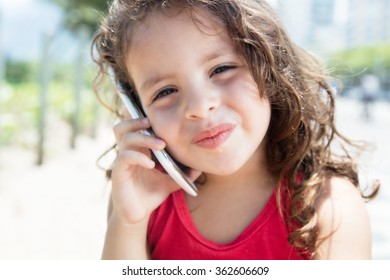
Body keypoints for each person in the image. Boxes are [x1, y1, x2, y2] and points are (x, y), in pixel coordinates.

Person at [91, 0, 379, 260]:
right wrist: (128, 222)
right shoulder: (141, 206)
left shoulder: (329, 208)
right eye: (165, 91)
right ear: (139, 111)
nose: (201, 106)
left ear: (269, 64)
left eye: (221, 69)